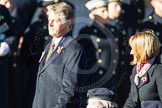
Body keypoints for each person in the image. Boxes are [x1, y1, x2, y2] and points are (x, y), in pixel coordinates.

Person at [32, 2, 86, 108]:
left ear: (68, 23)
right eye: (49, 20)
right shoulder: (50, 45)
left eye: (56, 20)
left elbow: (69, 91)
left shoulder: (73, 49)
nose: (50, 24)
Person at [123, 29, 162, 108]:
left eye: (134, 49)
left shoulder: (159, 71)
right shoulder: (136, 69)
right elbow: (132, 99)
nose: (131, 52)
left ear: (143, 50)